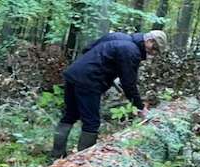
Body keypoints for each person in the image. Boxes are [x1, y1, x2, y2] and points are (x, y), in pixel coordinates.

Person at [50, 30, 168, 160]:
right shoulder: (131, 51)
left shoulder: (118, 36)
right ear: (149, 41)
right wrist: (140, 107)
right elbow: (129, 84)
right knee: (92, 123)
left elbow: (87, 49)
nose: (153, 53)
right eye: (155, 48)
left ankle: (57, 155)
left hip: (74, 74)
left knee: (69, 115)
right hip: (89, 81)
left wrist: (107, 73)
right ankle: (82, 163)